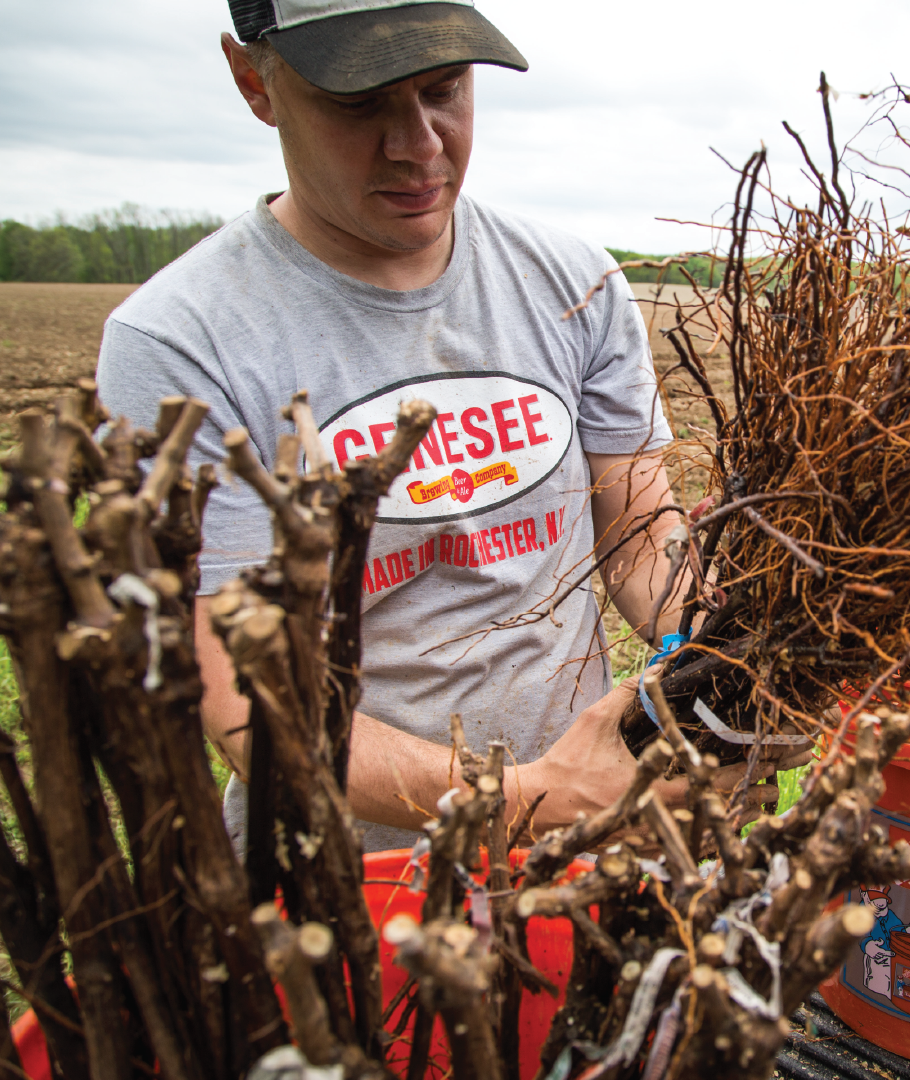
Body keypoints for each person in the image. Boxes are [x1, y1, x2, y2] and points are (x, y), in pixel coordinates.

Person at [95, 0, 774, 852]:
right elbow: (242, 690)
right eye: (358, 102)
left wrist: (717, 658)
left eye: (444, 88)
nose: (417, 144)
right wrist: (530, 796)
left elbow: (638, 530)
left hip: (586, 850)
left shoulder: (573, 283)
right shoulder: (180, 341)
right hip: (345, 878)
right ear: (253, 82)